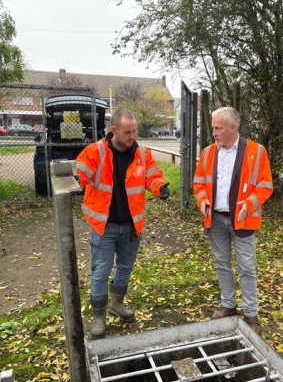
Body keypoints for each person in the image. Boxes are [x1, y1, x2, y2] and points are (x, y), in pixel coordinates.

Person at [76, 108, 170, 339]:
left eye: (134, 131)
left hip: (131, 225)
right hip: (105, 225)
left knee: (125, 267)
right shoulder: (95, 152)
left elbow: (152, 175)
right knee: (100, 272)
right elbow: (78, 174)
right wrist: (77, 180)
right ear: (114, 130)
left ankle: (117, 304)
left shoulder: (141, 152)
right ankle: (99, 316)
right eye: (127, 132)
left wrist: (159, 187)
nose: (132, 137)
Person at [193, 107, 272, 335]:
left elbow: (265, 186)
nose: (214, 132)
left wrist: (250, 204)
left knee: (247, 267)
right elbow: (198, 183)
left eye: (218, 128)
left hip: (243, 221)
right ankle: (228, 306)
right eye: (213, 128)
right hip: (215, 219)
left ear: (232, 128)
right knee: (222, 264)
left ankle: (251, 313)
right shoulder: (208, 153)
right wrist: (202, 200)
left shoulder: (257, 152)